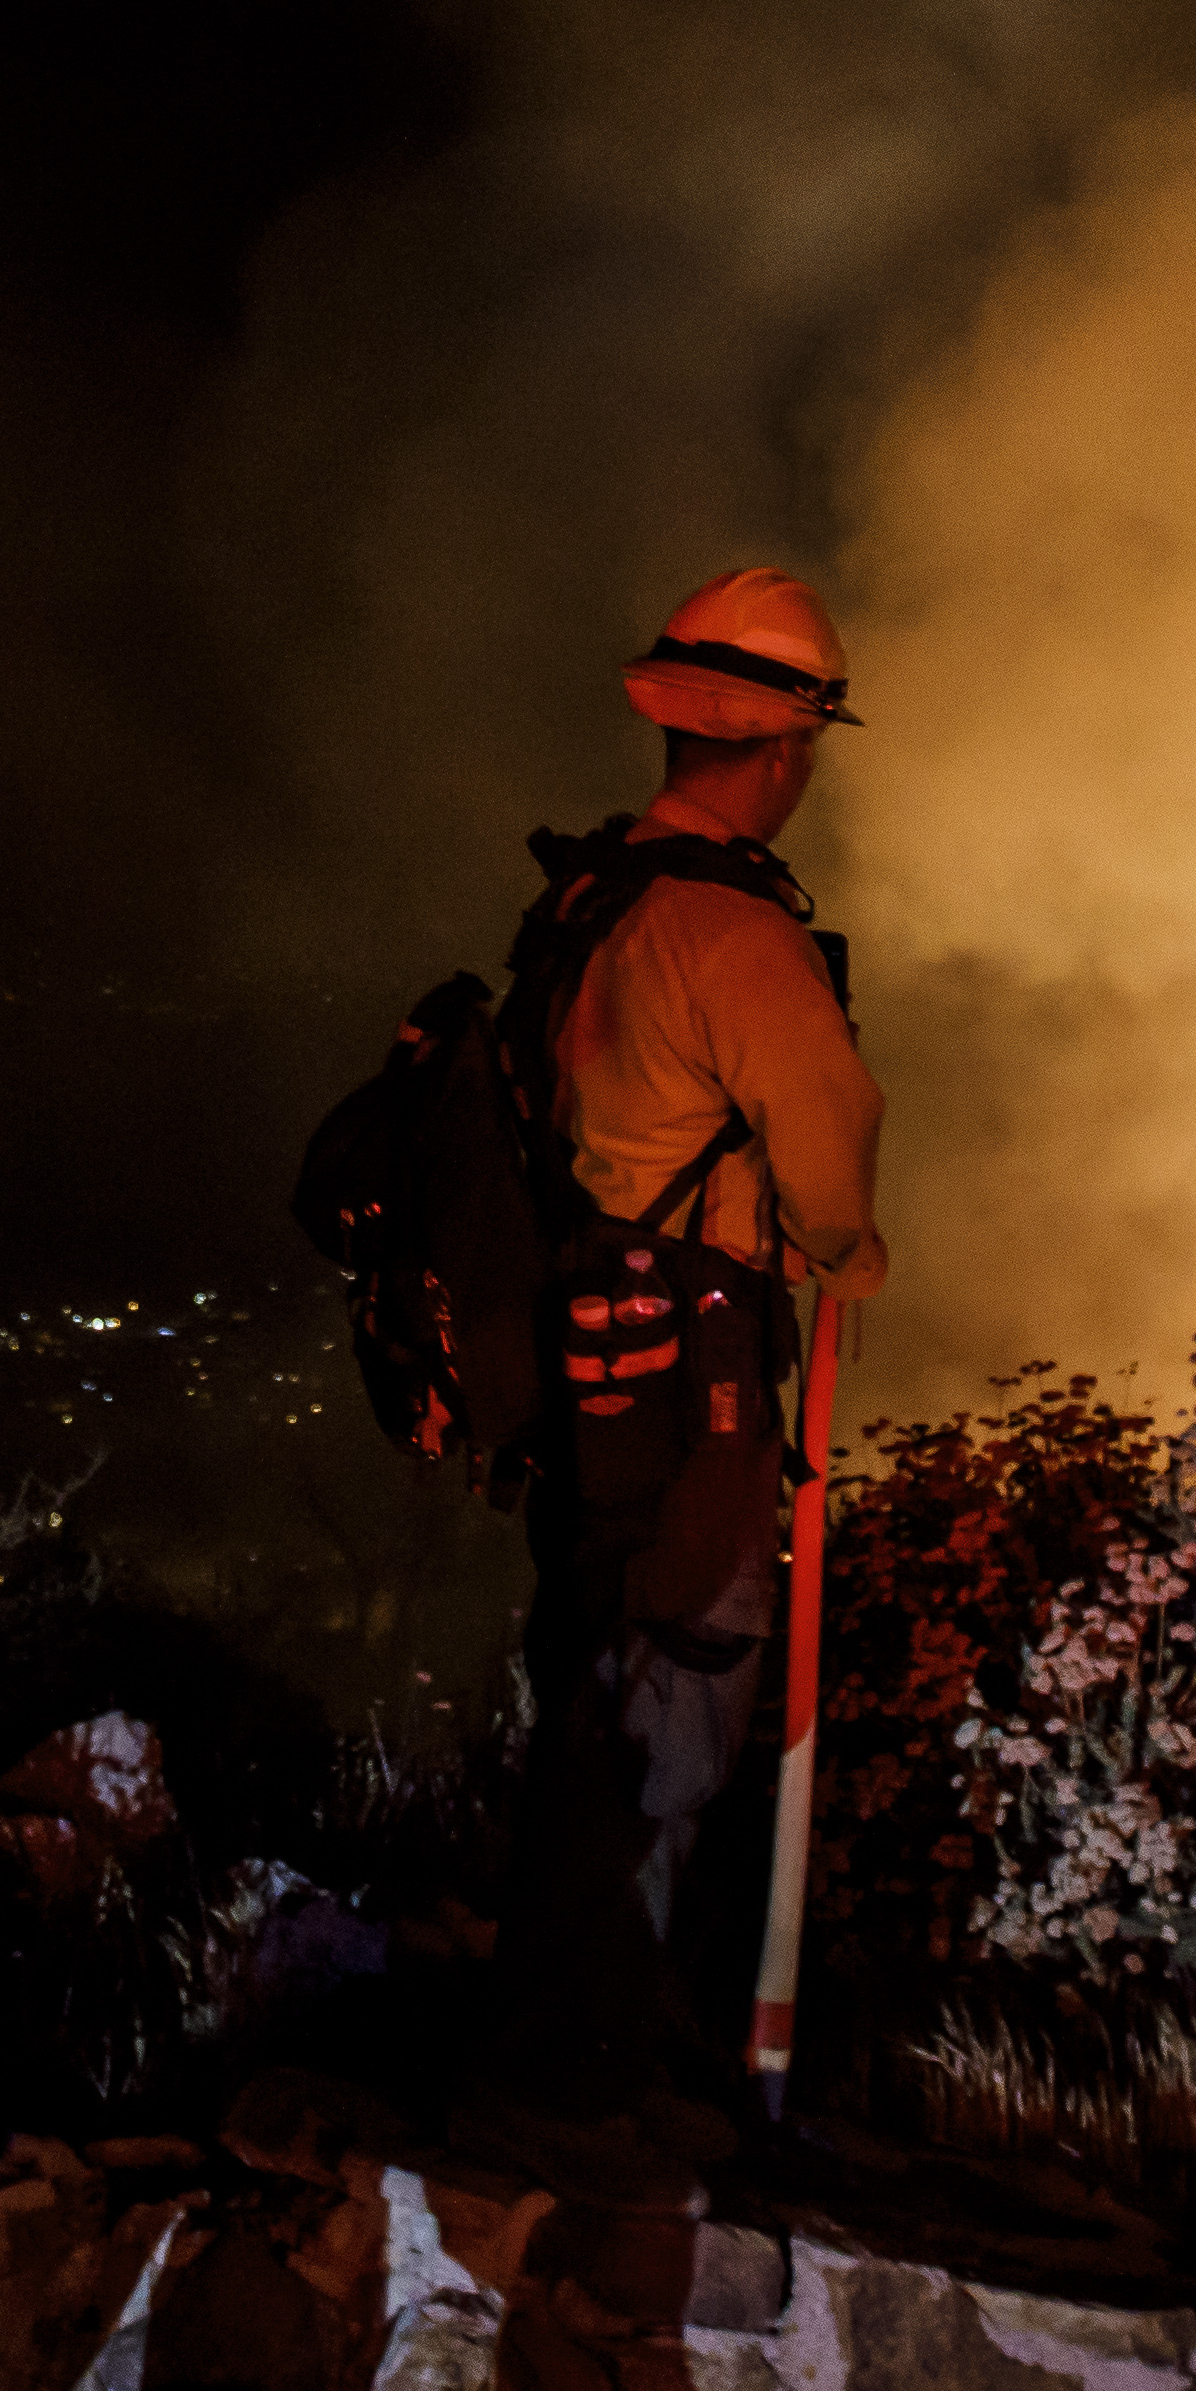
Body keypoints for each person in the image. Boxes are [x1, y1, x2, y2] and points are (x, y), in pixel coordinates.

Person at [502, 564, 892, 2099]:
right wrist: (841, 1251)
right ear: (785, 751)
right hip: (700, 1356)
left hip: (589, 1338)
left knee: (597, 1661)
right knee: (689, 1658)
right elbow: (829, 1150)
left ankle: (558, 2000)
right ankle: (613, 2039)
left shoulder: (591, 897)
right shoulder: (733, 934)